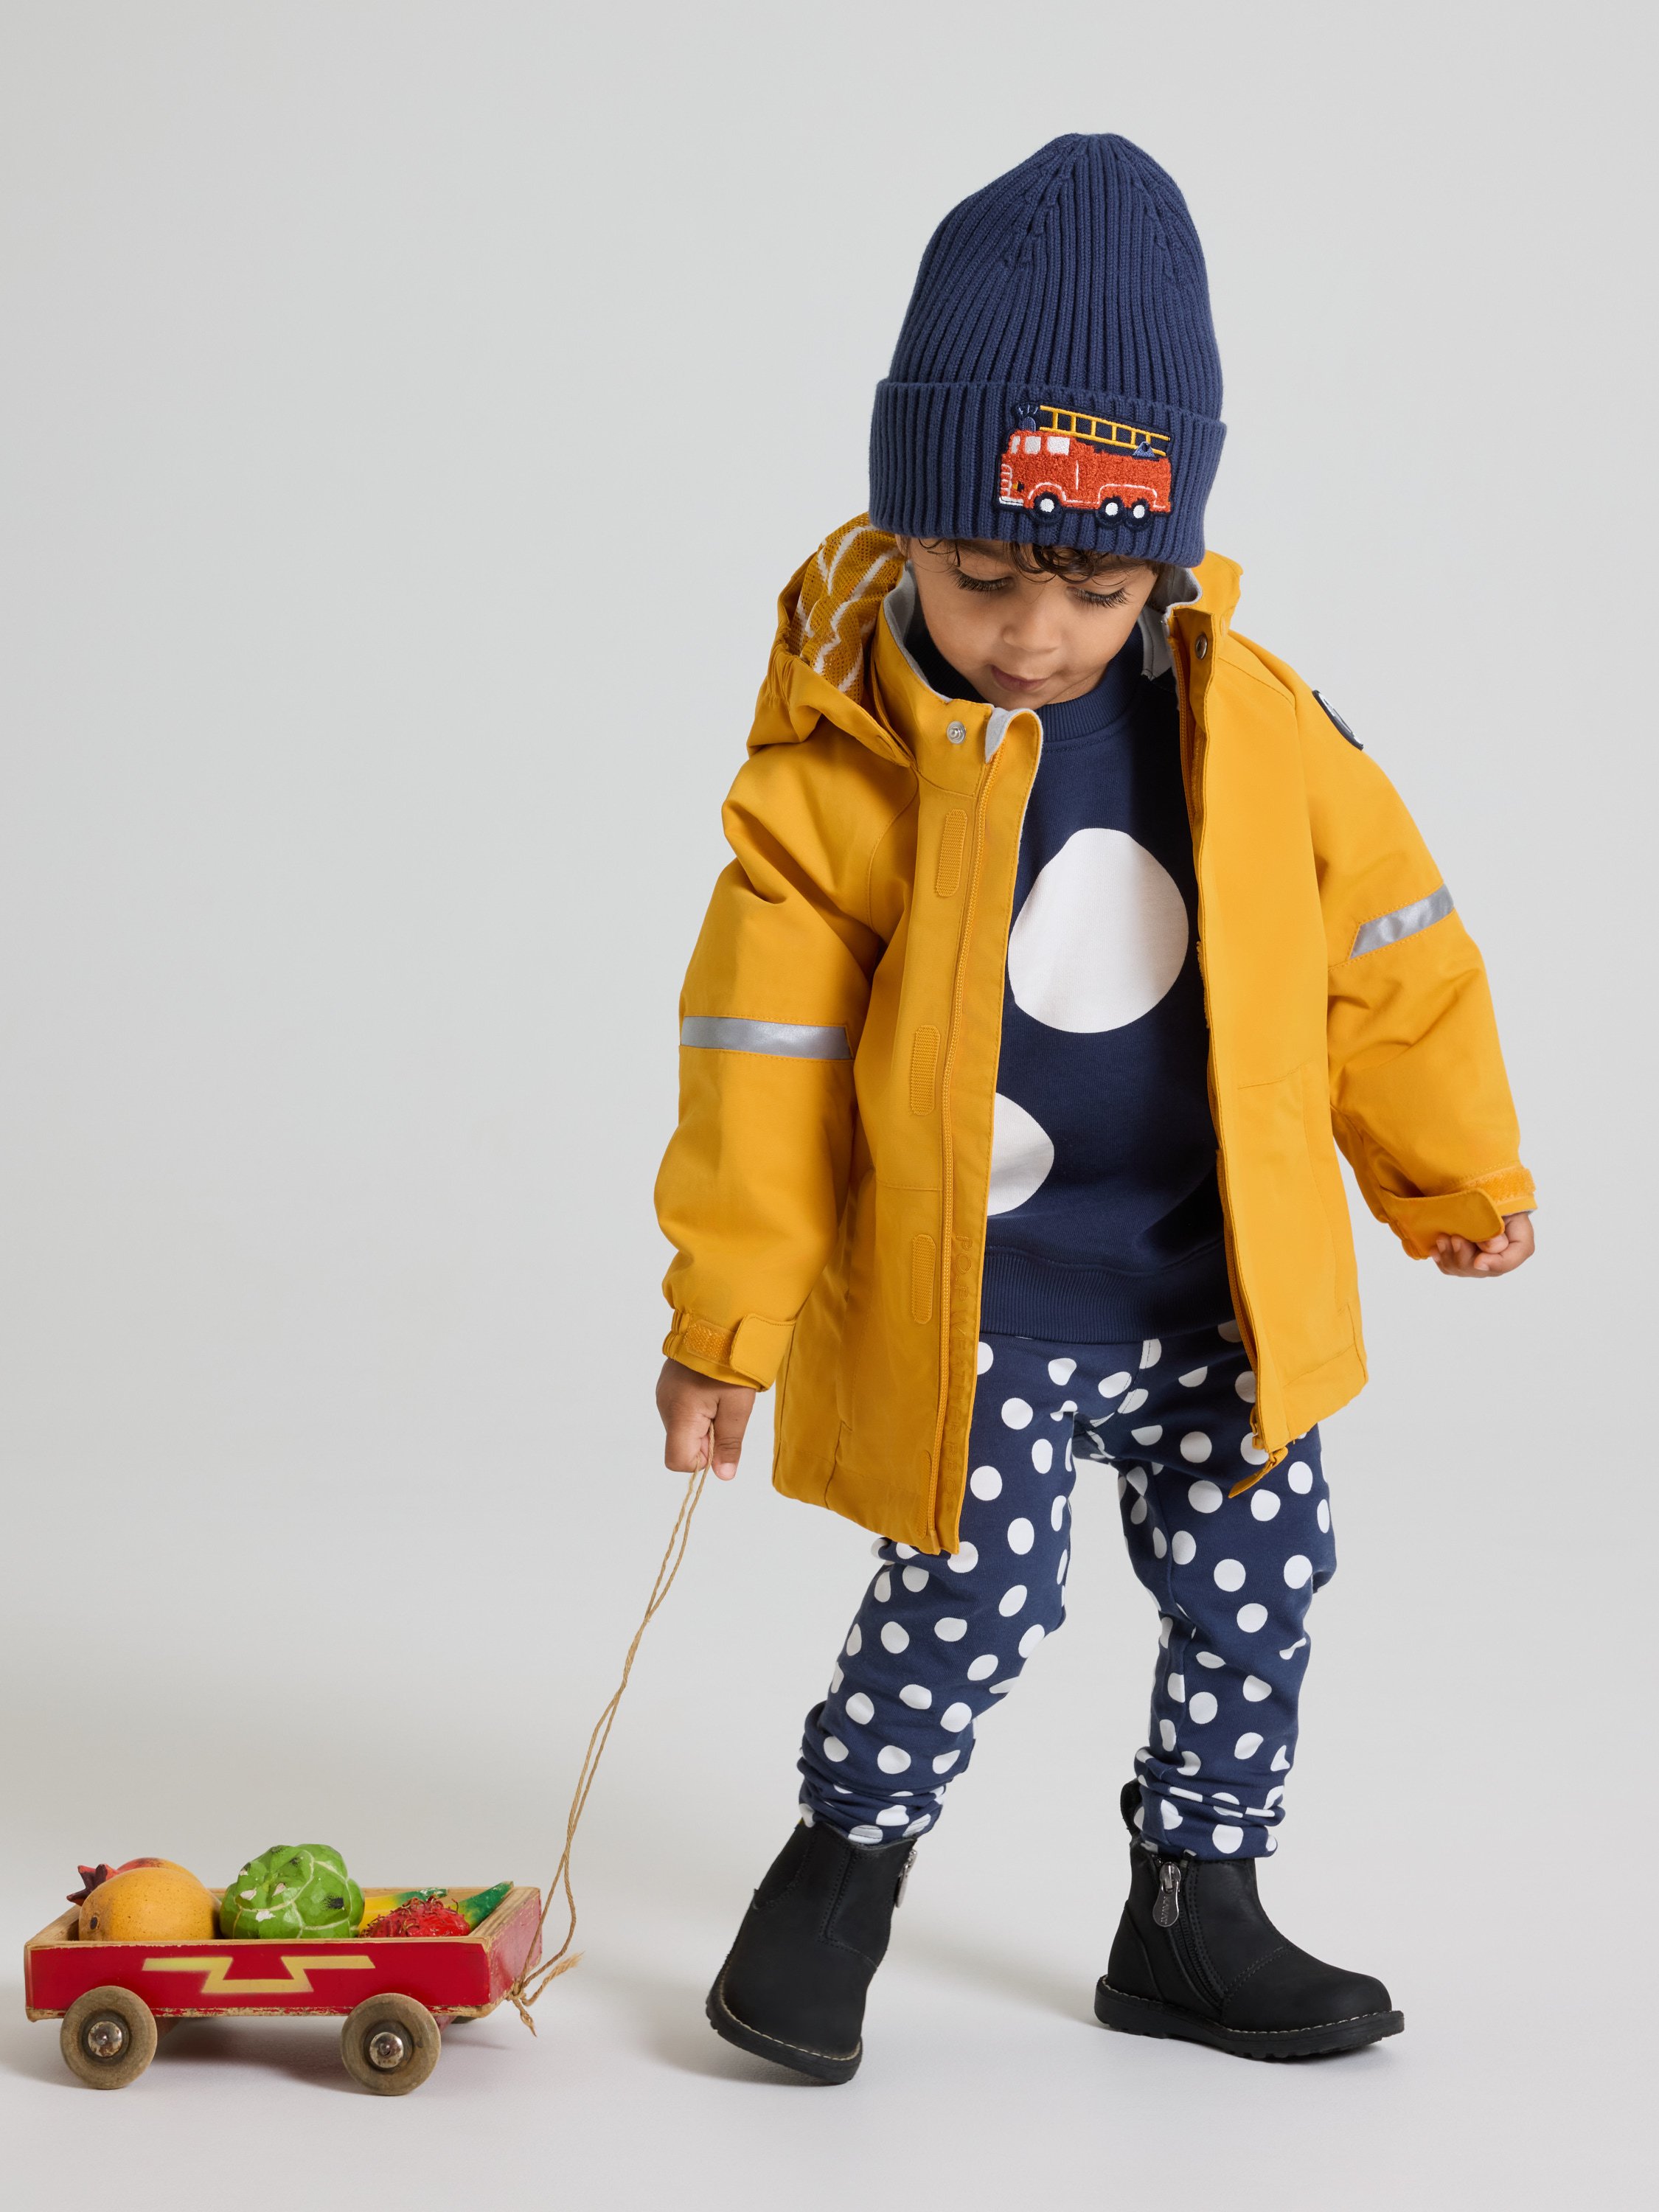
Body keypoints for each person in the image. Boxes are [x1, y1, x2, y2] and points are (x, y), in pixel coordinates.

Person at [652, 134, 1534, 2081]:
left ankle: (1195, 1912)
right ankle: (835, 1881)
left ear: (1165, 558)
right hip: (986, 1297)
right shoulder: (838, 773)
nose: (1033, 634)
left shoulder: (1258, 730)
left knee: (1259, 1593)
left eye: (1093, 584)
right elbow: (757, 1070)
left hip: (1218, 1288)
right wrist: (727, 1320)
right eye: (981, 577)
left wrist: (1450, 1169)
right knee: (968, 1598)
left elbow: (1387, 947)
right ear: (907, 529)